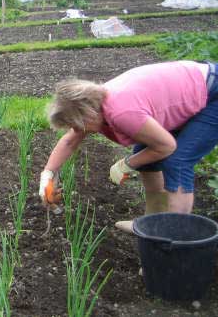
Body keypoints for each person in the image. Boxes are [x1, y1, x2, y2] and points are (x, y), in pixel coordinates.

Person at [39, 60, 217, 233]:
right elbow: (70, 141)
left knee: (177, 161)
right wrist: (47, 175)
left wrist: (127, 164)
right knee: (145, 157)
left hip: (212, 95)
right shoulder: (95, 104)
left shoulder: (122, 113)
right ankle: (152, 225)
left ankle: (173, 238)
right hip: (193, 87)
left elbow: (166, 147)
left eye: (77, 124)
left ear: (88, 114)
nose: (77, 130)